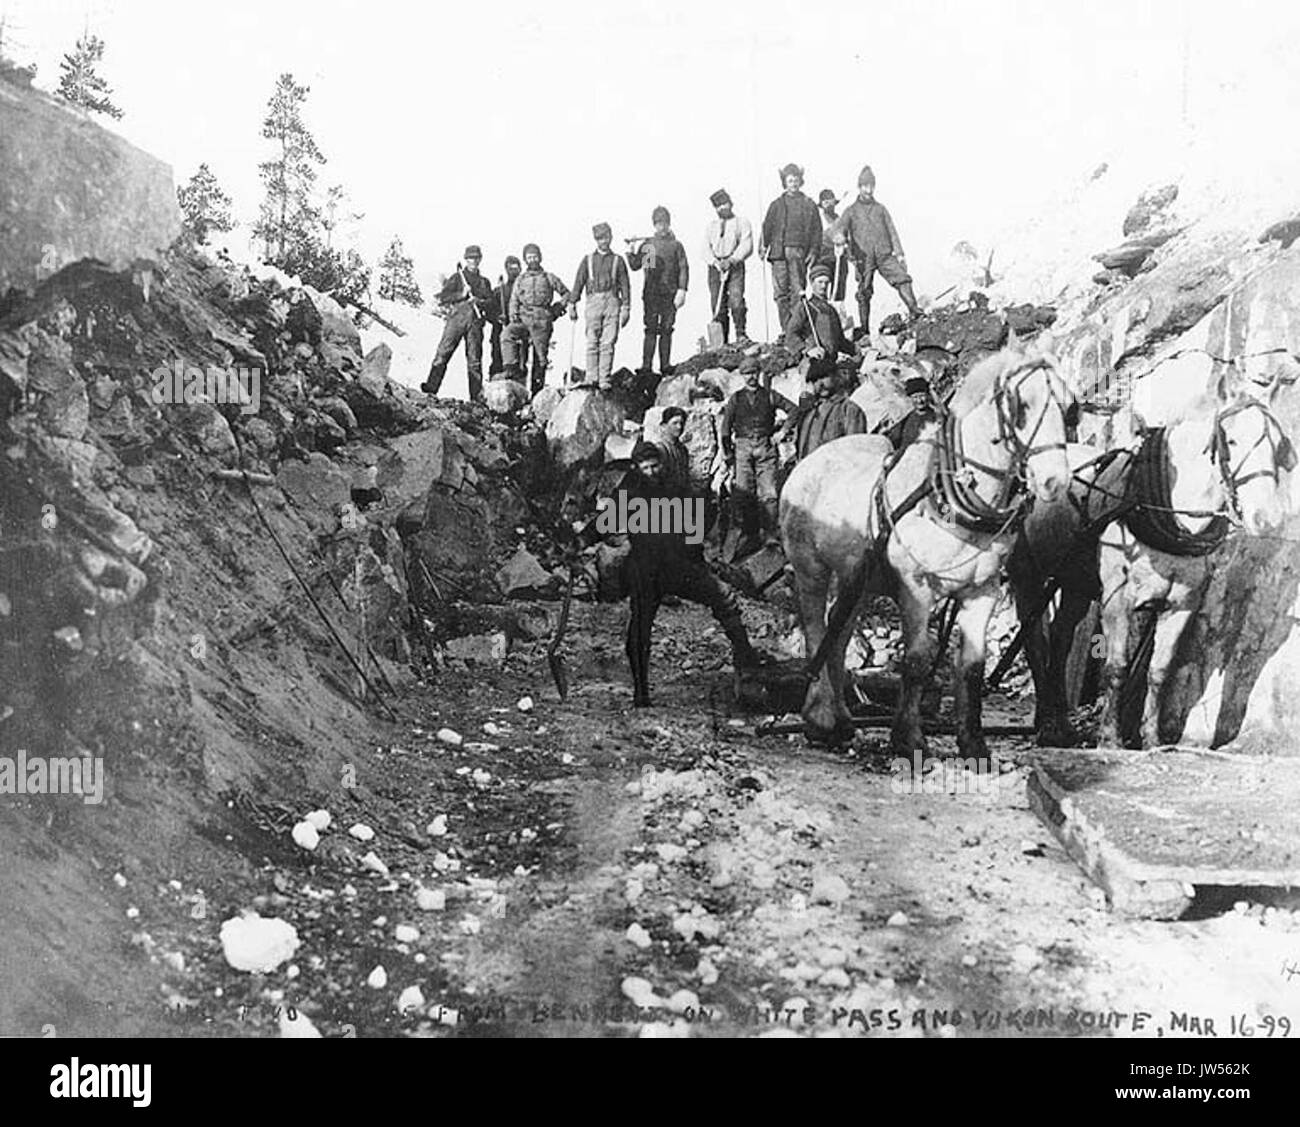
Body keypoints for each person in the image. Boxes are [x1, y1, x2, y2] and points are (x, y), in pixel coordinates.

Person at [621, 441, 759, 707]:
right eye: (645, 467)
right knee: (639, 628)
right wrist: (580, 541)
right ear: (636, 468)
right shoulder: (629, 491)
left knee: (723, 597)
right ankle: (640, 691)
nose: (651, 472)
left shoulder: (675, 487)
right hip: (646, 570)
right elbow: (606, 522)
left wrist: (696, 554)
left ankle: (747, 659)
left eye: (654, 466)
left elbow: (697, 520)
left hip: (678, 567)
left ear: (661, 464)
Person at [830, 165, 922, 337]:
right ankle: (864, 328)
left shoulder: (881, 209)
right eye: (865, 186)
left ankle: (915, 310)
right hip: (863, 258)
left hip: (884, 254)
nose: (869, 189)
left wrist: (900, 253)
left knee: (902, 279)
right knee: (864, 292)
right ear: (859, 187)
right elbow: (838, 229)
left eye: (871, 186)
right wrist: (839, 237)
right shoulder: (851, 211)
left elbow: (892, 231)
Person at [720, 355, 796, 551]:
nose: (750, 377)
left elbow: (794, 410)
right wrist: (728, 453)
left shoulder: (771, 395)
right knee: (742, 492)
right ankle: (746, 534)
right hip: (742, 448)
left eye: (753, 372)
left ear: (759, 374)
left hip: (765, 447)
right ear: (741, 376)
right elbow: (726, 429)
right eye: (746, 374)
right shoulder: (735, 399)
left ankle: (771, 534)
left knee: (769, 493)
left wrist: (783, 431)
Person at [423, 245, 494, 399]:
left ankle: (476, 398)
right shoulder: (457, 278)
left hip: (475, 323)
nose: (473, 261)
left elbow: (491, 303)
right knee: (443, 353)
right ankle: (430, 389)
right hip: (456, 320)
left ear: (480, 259)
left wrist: (480, 301)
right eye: (470, 258)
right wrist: (461, 294)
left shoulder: (484, 282)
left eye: (476, 258)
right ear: (466, 259)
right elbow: (443, 298)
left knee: (474, 361)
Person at [568, 223, 632, 390]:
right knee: (592, 341)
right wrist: (572, 303)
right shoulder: (588, 260)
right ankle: (591, 376)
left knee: (608, 342)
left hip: (612, 302)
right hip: (593, 302)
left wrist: (626, 307)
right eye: (600, 238)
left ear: (611, 237)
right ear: (596, 240)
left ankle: (604, 378)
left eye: (606, 237)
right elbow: (578, 283)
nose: (604, 241)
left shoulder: (618, 260)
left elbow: (625, 285)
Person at [628, 206, 689, 378]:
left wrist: (682, 290)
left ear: (669, 224)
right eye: (658, 223)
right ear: (654, 225)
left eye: (664, 223)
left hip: (670, 293)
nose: (662, 226)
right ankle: (646, 366)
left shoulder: (676, 245)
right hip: (651, 293)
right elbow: (635, 265)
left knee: (667, 329)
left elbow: (683, 268)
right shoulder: (648, 245)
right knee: (650, 328)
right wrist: (631, 249)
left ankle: (665, 365)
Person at [760, 163, 821, 334]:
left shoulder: (809, 204)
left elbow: (817, 232)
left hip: (798, 253)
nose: (793, 183)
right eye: (789, 180)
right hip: (778, 254)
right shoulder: (776, 205)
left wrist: (813, 252)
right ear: (784, 182)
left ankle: (795, 331)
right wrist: (763, 245)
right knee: (780, 294)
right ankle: (786, 330)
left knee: (798, 291)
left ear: (801, 181)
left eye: (796, 180)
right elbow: (767, 227)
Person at [502, 244, 570, 394]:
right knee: (507, 334)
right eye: (529, 257)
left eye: (535, 256)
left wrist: (557, 309)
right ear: (525, 259)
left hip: (542, 320)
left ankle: (537, 392)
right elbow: (514, 299)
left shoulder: (548, 277)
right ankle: (511, 368)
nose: (532, 260)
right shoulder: (520, 279)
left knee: (540, 358)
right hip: (524, 317)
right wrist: (513, 314)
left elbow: (566, 294)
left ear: (540, 257)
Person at [784, 263, 852, 382]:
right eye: (820, 282)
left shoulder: (831, 310)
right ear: (812, 283)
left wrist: (856, 349)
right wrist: (808, 350)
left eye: (826, 282)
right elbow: (791, 334)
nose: (823, 286)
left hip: (830, 364)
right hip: (812, 365)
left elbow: (840, 341)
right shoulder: (805, 307)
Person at [702, 188, 753, 345]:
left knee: (736, 299)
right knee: (717, 302)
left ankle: (740, 334)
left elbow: (746, 244)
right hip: (715, 267)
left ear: (730, 203)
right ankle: (721, 340)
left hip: (735, 265)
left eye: (724, 204)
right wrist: (715, 262)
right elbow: (705, 248)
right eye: (718, 206)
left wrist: (732, 260)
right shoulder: (711, 226)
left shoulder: (741, 222)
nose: (722, 208)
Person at [788, 367, 868, 462]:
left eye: (824, 377)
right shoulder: (808, 413)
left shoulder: (848, 409)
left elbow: (854, 449)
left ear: (836, 377)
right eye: (815, 381)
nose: (820, 384)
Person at [488, 255, 522, 377]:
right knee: (497, 359)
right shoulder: (499, 291)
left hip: (517, 330)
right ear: (506, 270)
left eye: (516, 268)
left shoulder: (523, 290)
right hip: (499, 330)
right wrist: (497, 316)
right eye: (510, 268)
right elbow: (489, 310)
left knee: (518, 362)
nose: (514, 271)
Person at [885, 374, 938, 450]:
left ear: (928, 396)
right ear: (910, 399)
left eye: (922, 396)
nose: (919, 401)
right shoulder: (907, 419)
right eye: (915, 397)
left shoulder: (936, 416)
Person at [655, 406, 691, 493]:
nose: (679, 427)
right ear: (664, 426)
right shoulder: (660, 449)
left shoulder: (683, 449)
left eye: (682, 423)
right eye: (674, 423)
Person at [816, 189, 840, 263]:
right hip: (823, 256)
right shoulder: (819, 219)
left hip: (838, 255)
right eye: (824, 200)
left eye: (829, 199)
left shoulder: (839, 219)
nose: (827, 202)